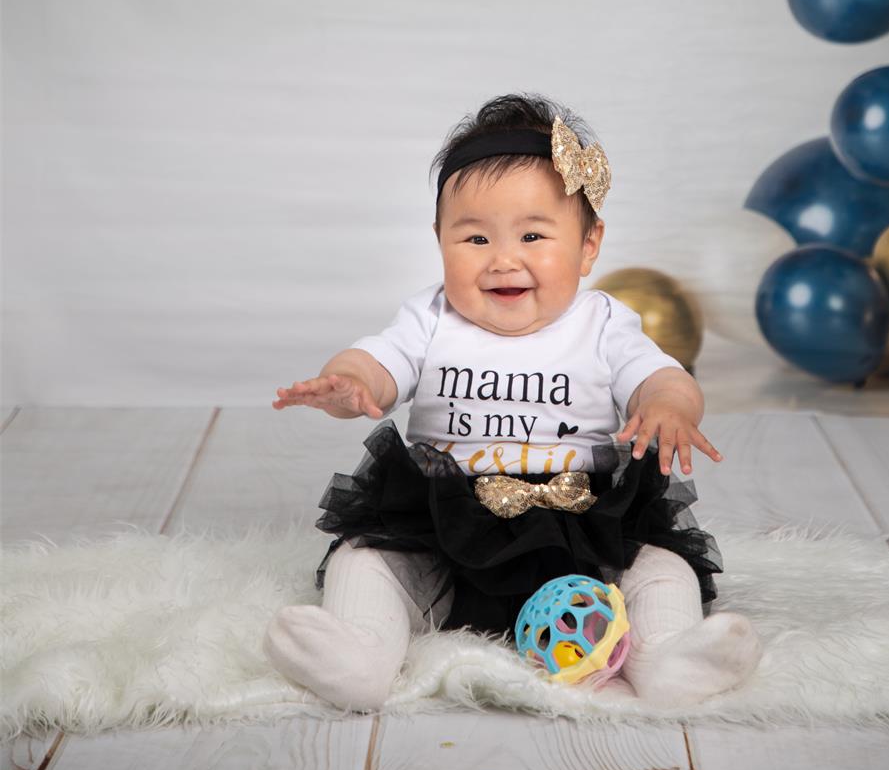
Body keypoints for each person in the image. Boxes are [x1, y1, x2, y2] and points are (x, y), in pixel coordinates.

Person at [264, 93, 763, 711]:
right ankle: (358, 656)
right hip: (445, 522)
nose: (503, 259)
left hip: (580, 521)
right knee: (366, 562)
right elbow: (377, 366)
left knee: (660, 568)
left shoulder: (603, 322)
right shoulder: (430, 317)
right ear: (439, 240)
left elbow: (660, 376)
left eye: (532, 235)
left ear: (588, 245)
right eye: (475, 237)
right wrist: (347, 383)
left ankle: (667, 657)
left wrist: (669, 405)